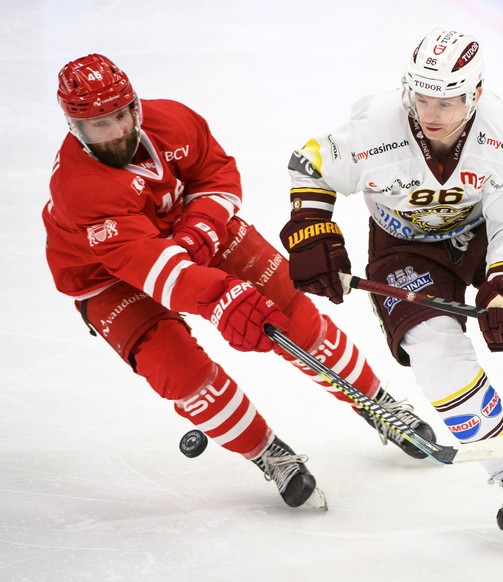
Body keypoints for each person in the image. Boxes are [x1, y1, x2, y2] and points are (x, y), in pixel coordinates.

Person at [280, 28, 503, 546]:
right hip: (404, 244)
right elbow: (310, 165)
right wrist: (313, 229)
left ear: (476, 94)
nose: (432, 112)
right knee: (436, 359)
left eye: (446, 100)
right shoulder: (375, 127)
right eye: (421, 97)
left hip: (491, 233)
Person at [42, 53, 435, 511]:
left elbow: (217, 174)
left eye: (121, 114)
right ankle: (269, 453)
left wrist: (201, 228)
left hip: (187, 233)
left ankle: (378, 404)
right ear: (75, 127)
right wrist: (220, 295)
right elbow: (154, 268)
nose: (116, 131)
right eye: (99, 125)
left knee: (293, 314)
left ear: (134, 105)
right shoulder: (79, 187)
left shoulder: (174, 121)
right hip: (106, 277)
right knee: (179, 370)